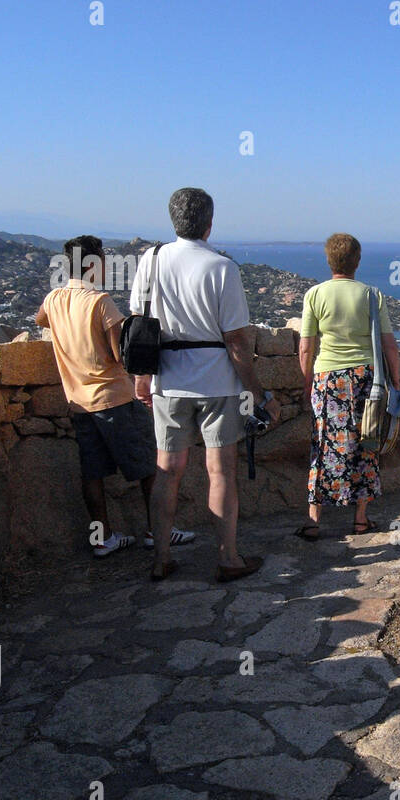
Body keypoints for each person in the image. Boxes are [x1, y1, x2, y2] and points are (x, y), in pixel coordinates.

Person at [129, 187, 279, 582]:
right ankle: (228, 557)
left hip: (166, 379)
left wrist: (141, 377)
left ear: (173, 220)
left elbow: (140, 321)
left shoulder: (151, 259)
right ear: (210, 223)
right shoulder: (222, 267)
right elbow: (236, 342)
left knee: (167, 471)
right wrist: (258, 392)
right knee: (221, 472)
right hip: (216, 381)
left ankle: (160, 559)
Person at [35, 235, 195, 557]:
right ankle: (157, 531)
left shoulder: (54, 299)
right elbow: (120, 355)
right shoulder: (99, 302)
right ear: (94, 264)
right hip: (114, 398)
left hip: (79, 403)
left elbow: (40, 321)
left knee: (93, 475)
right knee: (149, 467)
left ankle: (102, 539)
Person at [295, 233, 400, 540]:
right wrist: (395, 382)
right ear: (357, 261)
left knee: (322, 446)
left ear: (329, 261)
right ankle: (360, 520)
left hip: (327, 380)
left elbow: (306, 348)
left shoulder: (314, 294)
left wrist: (306, 384)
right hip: (366, 380)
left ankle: (314, 521)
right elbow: (389, 346)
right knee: (366, 445)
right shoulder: (371, 295)